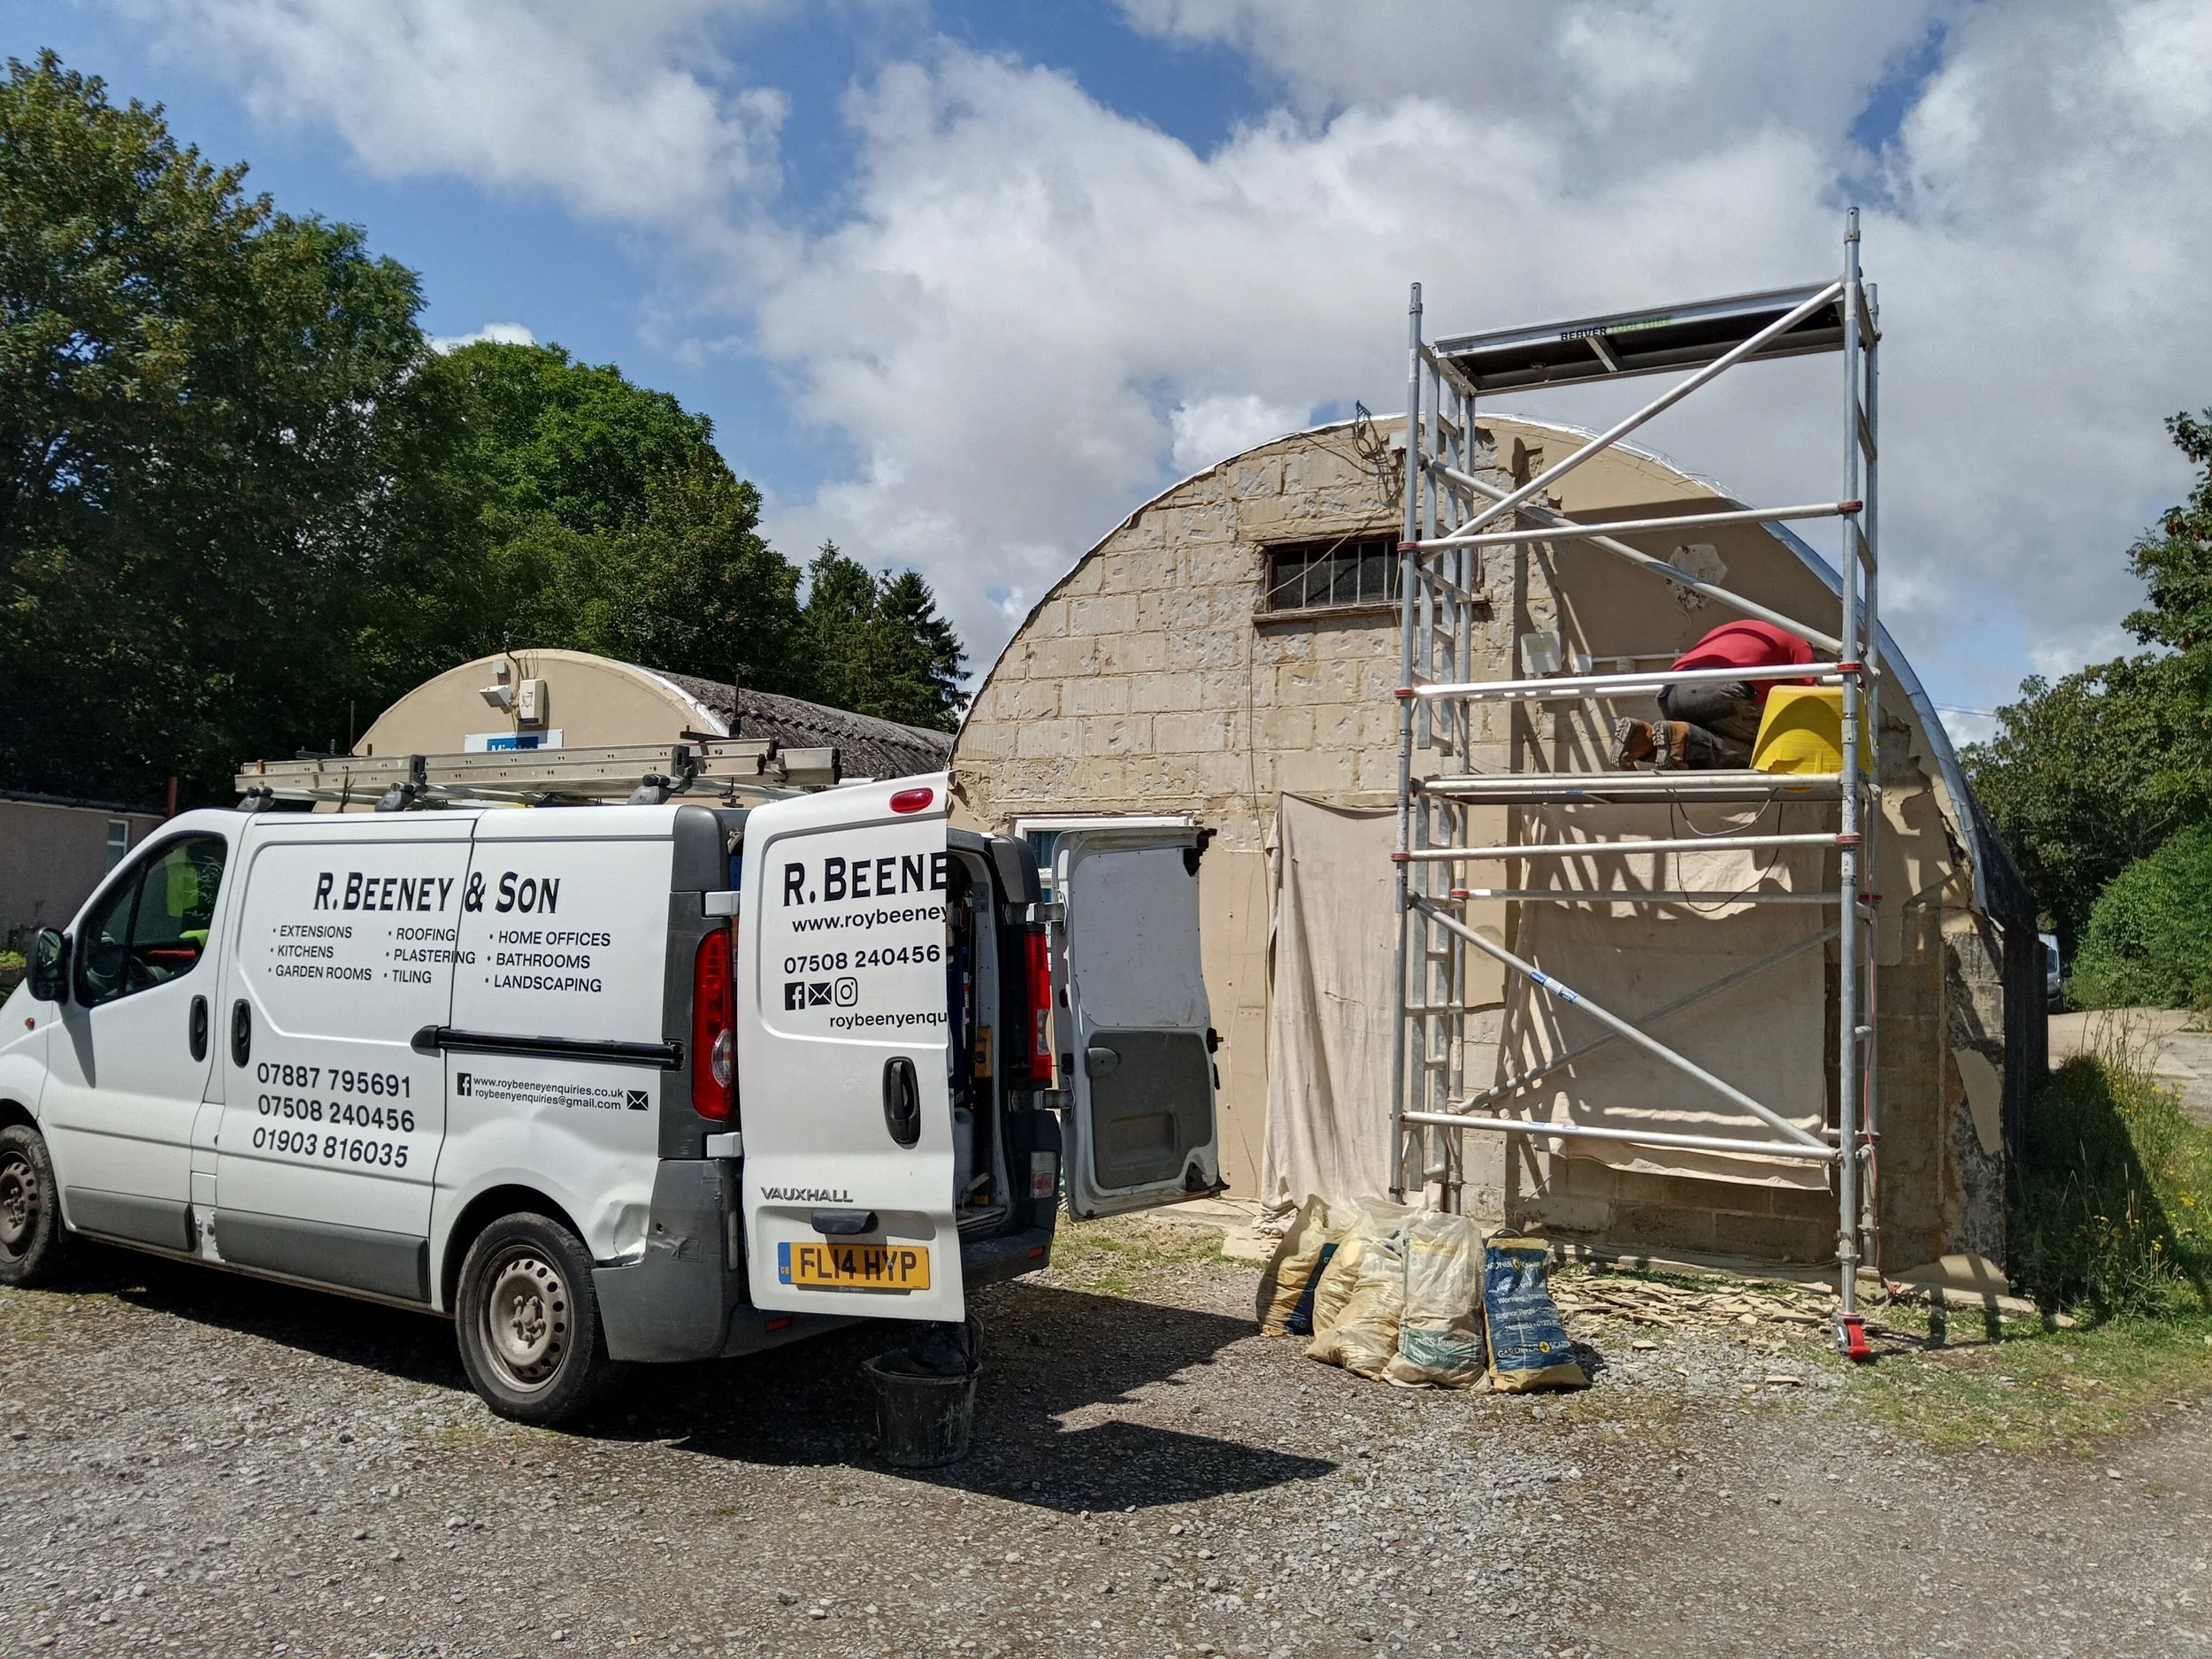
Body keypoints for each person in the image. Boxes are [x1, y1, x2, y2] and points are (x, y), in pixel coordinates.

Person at [1613, 618, 1816, 769]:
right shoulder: (1799, 642)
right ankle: (1681, 734)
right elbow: (1809, 702)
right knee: (1762, 747)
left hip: (1671, 693)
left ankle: (1644, 739)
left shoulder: (1750, 628)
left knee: (1692, 746)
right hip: (1720, 688)